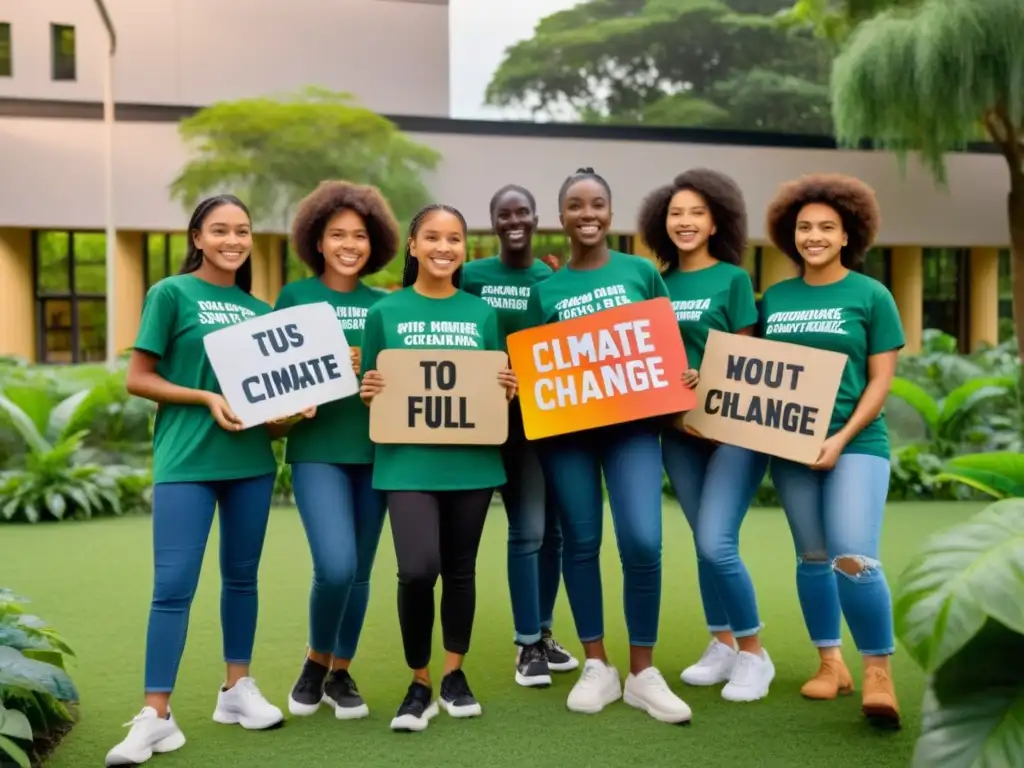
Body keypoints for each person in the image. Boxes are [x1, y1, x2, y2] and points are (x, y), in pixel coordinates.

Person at [107, 195, 297, 767]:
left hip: (250, 465)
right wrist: (206, 396)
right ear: (197, 236)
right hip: (185, 463)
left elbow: (269, 409)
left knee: (242, 579)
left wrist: (293, 411)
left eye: (242, 230)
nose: (233, 240)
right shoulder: (170, 293)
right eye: (220, 230)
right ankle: (156, 716)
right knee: (173, 587)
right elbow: (138, 377)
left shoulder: (260, 311)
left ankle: (236, 690)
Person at [523, 167, 692, 724]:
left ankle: (642, 670)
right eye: (575, 205)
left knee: (643, 541)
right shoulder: (543, 290)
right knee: (581, 540)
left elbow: (664, 345)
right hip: (568, 436)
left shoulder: (641, 273)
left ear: (611, 214)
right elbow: (530, 363)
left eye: (597, 204)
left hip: (633, 432)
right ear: (562, 217)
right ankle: (598, 664)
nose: (587, 213)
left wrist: (681, 375)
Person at [359, 203, 518, 732]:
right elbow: (376, 389)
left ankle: (453, 674)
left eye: (454, 239)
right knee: (418, 569)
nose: (443, 248)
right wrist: (370, 390)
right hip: (405, 464)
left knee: (461, 570)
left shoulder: (482, 314)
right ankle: (419, 680)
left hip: (470, 464)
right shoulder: (384, 312)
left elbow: (492, 383)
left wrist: (506, 388)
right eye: (432, 237)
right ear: (413, 245)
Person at [761, 173, 904, 729]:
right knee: (813, 556)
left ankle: (877, 672)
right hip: (790, 445)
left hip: (857, 444)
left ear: (848, 235)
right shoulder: (776, 298)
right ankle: (831, 663)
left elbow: (879, 381)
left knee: (853, 555)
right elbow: (758, 376)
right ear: (789, 235)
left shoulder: (871, 295)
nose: (814, 236)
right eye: (804, 227)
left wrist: (839, 439)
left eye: (827, 227)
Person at [637, 169, 774, 702]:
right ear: (660, 223)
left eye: (696, 213)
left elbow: (747, 361)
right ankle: (720, 643)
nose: (685, 222)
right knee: (703, 542)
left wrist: (712, 391)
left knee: (717, 543)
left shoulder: (734, 280)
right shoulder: (655, 283)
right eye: (675, 214)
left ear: (717, 220)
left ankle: (753, 652)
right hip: (677, 431)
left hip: (733, 433)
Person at [273, 181, 400, 720]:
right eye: (337, 235)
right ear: (317, 241)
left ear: (375, 244)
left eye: (360, 235)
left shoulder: (386, 306)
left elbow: (403, 384)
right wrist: (304, 391)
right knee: (336, 564)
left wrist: (374, 378)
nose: (350, 244)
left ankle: (340, 672)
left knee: (362, 571)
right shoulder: (295, 298)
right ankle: (314, 660)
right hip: (317, 449)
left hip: (376, 452)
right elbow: (276, 381)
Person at [461, 184, 578, 687]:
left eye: (523, 213)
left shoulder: (550, 279)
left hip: (539, 424)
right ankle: (526, 642)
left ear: (536, 220)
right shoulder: (470, 276)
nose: (514, 221)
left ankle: (543, 634)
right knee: (527, 532)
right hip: (481, 425)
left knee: (549, 532)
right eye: (504, 214)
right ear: (493, 223)